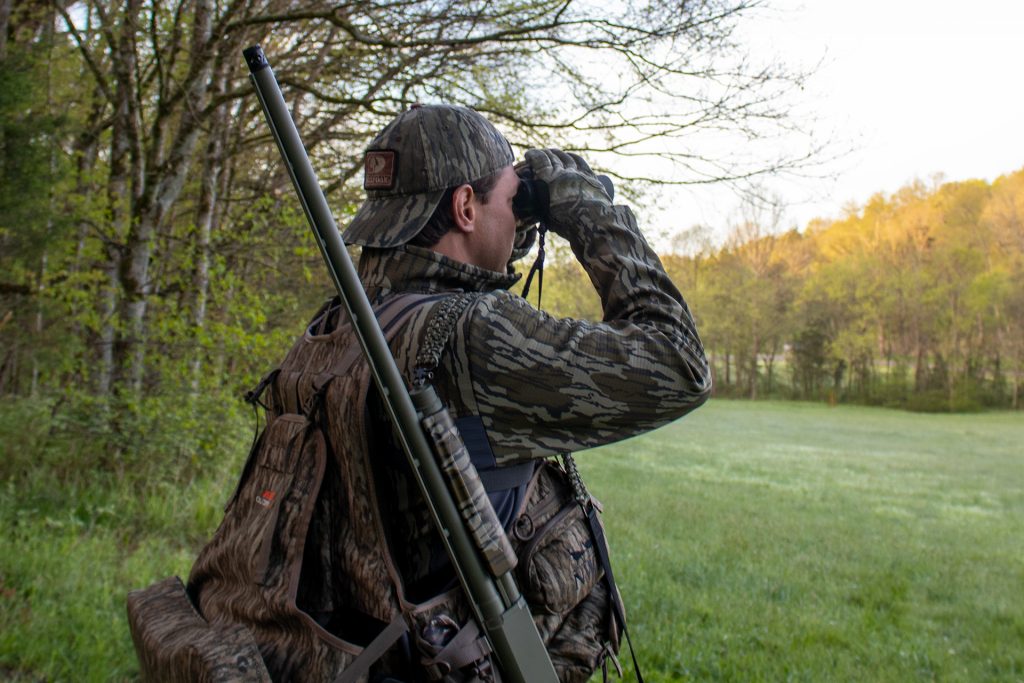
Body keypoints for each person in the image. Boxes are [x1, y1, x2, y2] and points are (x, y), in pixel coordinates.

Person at [187, 103, 711, 682]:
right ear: (465, 207)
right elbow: (678, 363)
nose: (520, 223)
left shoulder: (341, 327)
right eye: (512, 203)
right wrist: (586, 207)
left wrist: (507, 215)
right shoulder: (474, 335)